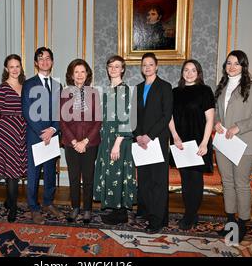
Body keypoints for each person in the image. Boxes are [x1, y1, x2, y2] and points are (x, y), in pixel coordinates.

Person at [214, 50, 252, 243]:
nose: (232, 67)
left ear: (243, 66)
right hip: (223, 144)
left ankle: (243, 224)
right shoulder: (221, 86)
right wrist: (217, 122)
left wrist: (239, 127)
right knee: (227, 183)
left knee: (241, 184)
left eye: (236, 63)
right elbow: (216, 112)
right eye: (229, 63)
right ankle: (230, 223)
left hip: (245, 145)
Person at [168, 59, 215, 230]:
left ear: (198, 73)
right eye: (186, 70)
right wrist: (174, 136)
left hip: (198, 143)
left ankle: (191, 215)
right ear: (182, 73)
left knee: (195, 180)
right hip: (180, 142)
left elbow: (210, 119)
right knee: (185, 180)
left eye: (193, 70)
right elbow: (169, 117)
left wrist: (204, 143)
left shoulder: (205, 91)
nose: (189, 73)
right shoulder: (175, 92)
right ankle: (189, 212)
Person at [21, 47, 64, 224]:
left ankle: (48, 203)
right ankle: (34, 207)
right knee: (33, 173)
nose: (45, 61)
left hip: (52, 136)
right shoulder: (29, 84)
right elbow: (27, 111)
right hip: (35, 135)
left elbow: (60, 112)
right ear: (36, 63)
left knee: (49, 172)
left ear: (52, 62)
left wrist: (53, 130)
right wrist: (42, 132)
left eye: (48, 58)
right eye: (41, 58)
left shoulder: (57, 85)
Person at [132, 52, 173, 234]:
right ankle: (153, 214)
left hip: (157, 141)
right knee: (146, 181)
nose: (147, 67)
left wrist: (149, 136)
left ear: (156, 66)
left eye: (150, 64)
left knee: (158, 182)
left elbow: (167, 115)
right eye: (144, 65)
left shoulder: (165, 87)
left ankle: (157, 221)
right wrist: (138, 136)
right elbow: (133, 116)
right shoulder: (138, 88)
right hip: (141, 142)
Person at [93, 55, 136, 225]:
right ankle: (115, 210)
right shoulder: (107, 90)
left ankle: (120, 213)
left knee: (120, 174)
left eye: (117, 66)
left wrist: (117, 144)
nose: (113, 69)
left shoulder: (124, 90)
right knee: (110, 174)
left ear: (123, 69)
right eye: (110, 66)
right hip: (107, 140)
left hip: (119, 140)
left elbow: (127, 120)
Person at [60, 59, 102, 224]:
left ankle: (87, 210)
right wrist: (73, 141)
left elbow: (98, 120)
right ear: (71, 75)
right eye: (76, 72)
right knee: (74, 177)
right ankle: (75, 207)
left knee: (89, 177)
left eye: (82, 71)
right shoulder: (65, 93)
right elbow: (62, 121)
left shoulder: (94, 93)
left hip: (90, 143)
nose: (79, 75)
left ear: (87, 74)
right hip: (71, 143)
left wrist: (85, 141)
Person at [0, 54, 27, 223]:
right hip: (6, 132)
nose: (14, 69)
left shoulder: (26, 86)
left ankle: (8, 200)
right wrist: (0, 133)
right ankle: (12, 208)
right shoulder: (2, 88)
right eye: (11, 67)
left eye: (17, 66)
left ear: (21, 67)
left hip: (23, 132)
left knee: (17, 170)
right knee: (12, 173)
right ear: (6, 69)